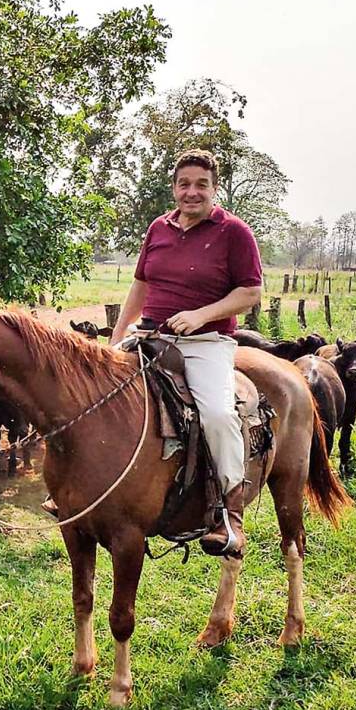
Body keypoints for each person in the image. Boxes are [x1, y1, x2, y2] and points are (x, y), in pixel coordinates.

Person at [109, 148, 262, 556]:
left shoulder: (234, 232)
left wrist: (200, 316)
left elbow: (250, 293)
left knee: (216, 413)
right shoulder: (158, 228)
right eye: (184, 184)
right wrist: (117, 336)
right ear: (174, 187)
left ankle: (230, 512)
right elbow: (140, 286)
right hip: (150, 337)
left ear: (215, 188)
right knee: (95, 394)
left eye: (201, 185)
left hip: (205, 344)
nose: (191, 192)